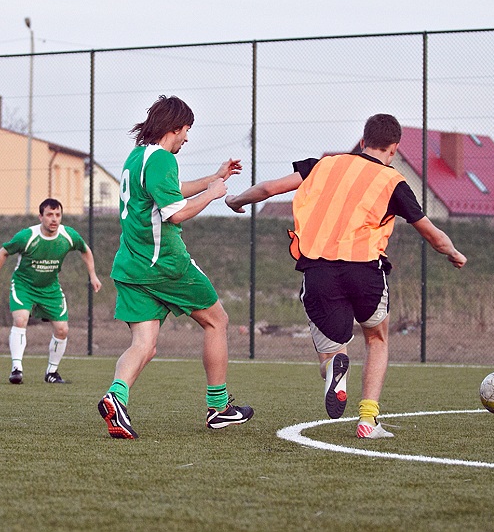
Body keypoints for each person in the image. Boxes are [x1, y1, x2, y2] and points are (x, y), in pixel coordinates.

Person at [225, 114, 467, 438]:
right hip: (365, 271)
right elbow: (430, 232)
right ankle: (368, 420)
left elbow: (269, 188)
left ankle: (333, 367)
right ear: (394, 149)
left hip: (319, 270)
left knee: (331, 352)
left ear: (364, 141)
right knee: (377, 339)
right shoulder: (393, 181)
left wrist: (235, 200)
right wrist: (452, 252)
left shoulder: (324, 165)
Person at [98, 95, 254, 439]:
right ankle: (219, 408)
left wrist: (214, 177)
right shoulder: (163, 159)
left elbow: (172, 191)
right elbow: (175, 212)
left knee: (144, 344)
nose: (186, 137)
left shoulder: (137, 157)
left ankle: (116, 398)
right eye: (186, 130)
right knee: (217, 321)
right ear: (175, 127)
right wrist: (213, 193)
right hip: (166, 265)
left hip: (132, 266)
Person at [0, 198, 102, 385]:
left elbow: (85, 250)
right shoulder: (27, 236)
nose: (54, 219)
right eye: (49, 215)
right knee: (20, 319)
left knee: (62, 329)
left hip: (50, 288)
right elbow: (3, 252)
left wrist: (93, 276)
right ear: (41, 217)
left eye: (58, 215)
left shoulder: (68, 235)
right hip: (24, 285)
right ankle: (16, 369)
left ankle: (52, 372)